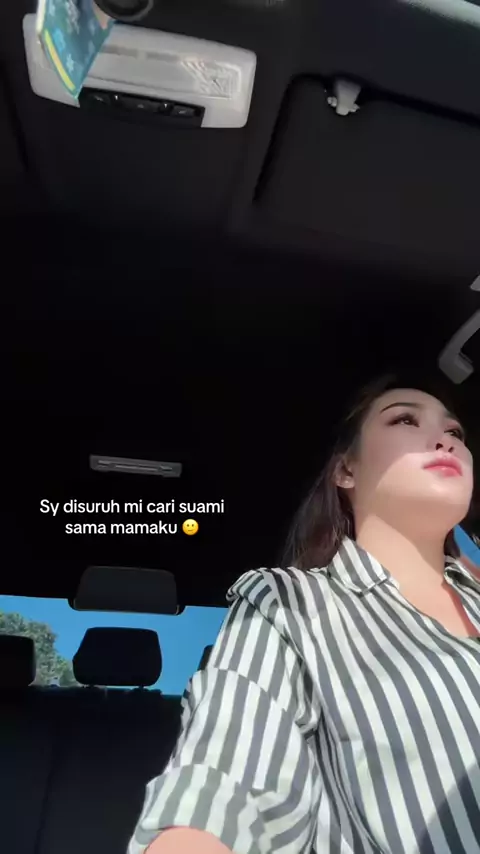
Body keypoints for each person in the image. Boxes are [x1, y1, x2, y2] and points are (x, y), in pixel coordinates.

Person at [128, 373, 480, 854]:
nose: (445, 440)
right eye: (404, 420)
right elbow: (229, 781)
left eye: (456, 431)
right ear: (346, 471)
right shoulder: (288, 603)